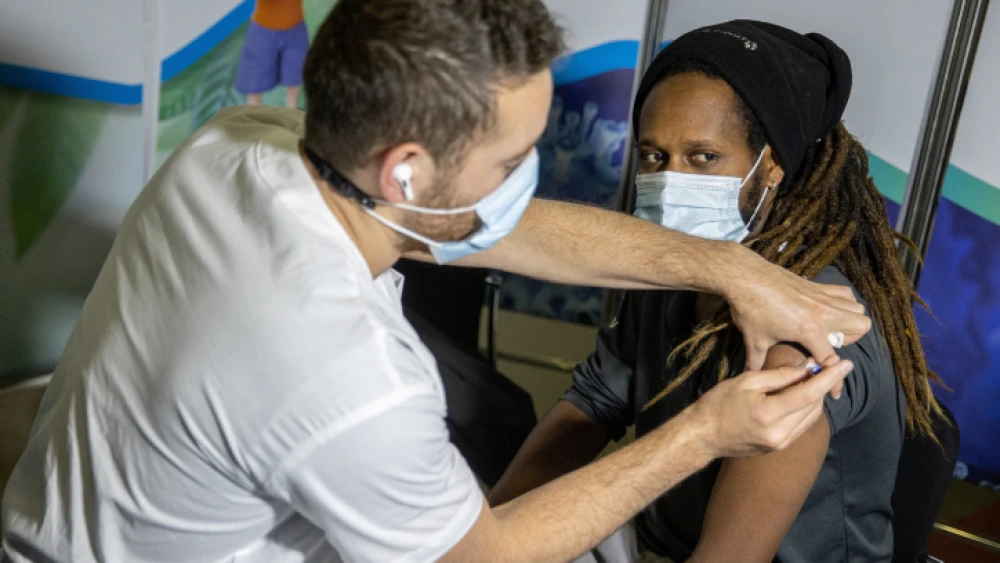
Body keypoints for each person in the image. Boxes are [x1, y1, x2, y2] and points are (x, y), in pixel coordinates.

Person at [0, 5, 868, 563]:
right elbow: (480, 558)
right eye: (511, 159)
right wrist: (703, 433)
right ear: (407, 172)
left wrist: (729, 267)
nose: (534, 178)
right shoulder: (355, 380)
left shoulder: (236, 146)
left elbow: (504, 229)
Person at [489, 20, 945, 563]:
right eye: (654, 157)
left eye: (703, 157)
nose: (670, 179)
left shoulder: (803, 337)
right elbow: (593, 402)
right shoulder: (673, 273)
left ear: (770, 163)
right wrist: (488, 536)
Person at [236, 0, 308, 109]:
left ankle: (291, 119)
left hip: (295, 25)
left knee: (293, 84)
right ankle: (253, 121)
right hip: (264, 29)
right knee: (254, 88)